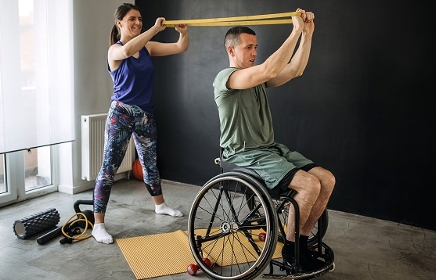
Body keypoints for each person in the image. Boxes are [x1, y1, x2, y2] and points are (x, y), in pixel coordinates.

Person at [213, 9, 335, 271]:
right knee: (310, 186)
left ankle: (300, 243)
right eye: (248, 47)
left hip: (269, 150)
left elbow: (295, 69)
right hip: (243, 154)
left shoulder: (256, 79)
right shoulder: (228, 78)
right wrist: (294, 31)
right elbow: (269, 68)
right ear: (232, 51)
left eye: (256, 47)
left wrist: (307, 35)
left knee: (326, 179)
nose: (254, 52)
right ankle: (292, 250)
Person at [92, 3, 189, 244]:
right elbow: (127, 51)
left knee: (150, 164)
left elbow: (179, 47)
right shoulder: (114, 51)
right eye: (132, 19)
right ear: (119, 23)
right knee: (109, 170)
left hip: (145, 114)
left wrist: (183, 33)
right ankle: (98, 225)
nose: (137, 22)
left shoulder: (146, 47)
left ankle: (160, 205)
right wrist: (154, 30)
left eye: (140, 19)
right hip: (121, 114)